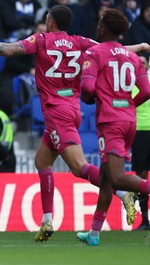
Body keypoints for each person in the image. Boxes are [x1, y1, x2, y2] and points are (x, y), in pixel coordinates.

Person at [0, 4, 150, 242]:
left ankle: (123, 194)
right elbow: (111, 50)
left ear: (50, 22)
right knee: (41, 161)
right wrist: (139, 47)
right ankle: (47, 220)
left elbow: (9, 50)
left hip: (57, 112)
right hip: (70, 109)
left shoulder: (42, 40)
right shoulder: (79, 42)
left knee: (79, 168)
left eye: (47, 17)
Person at [77, 9, 150, 246]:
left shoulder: (94, 52)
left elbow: (87, 88)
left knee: (117, 177)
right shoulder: (132, 58)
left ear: (103, 28)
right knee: (107, 178)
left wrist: (91, 98)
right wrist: (129, 104)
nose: (97, 27)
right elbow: (146, 91)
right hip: (128, 120)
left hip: (110, 121)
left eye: (99, 24)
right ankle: (94, 234)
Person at [131, 54, 150, 231]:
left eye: (144, 63)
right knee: (142, 176)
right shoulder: (129, 82)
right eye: (139, 63)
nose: (141, 66)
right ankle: (145, 220)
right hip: (138, 132)